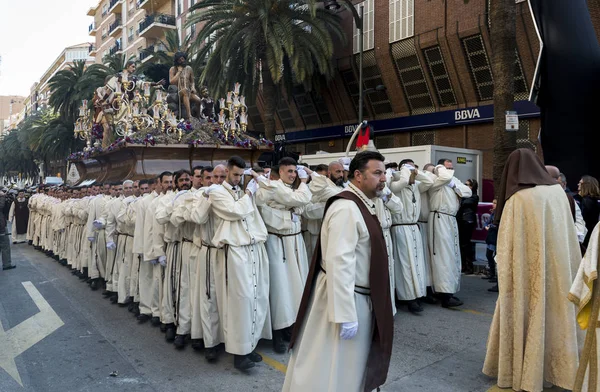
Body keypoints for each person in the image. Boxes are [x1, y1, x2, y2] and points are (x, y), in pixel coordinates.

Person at [284, 151, 394, 392]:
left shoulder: (364, 203)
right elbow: (339, 262)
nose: (383, 178)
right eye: (377, 173)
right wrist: (345, 314)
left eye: (384, 173)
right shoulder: (347, 208)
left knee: (349, 365)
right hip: (345, 301)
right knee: (332, 365)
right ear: (357, 175)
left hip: (359, 298)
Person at [482, 149, 581, 392]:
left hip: (527, 275)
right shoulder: (558, 192)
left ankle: (527, 373)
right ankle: (560, 368)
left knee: (527, 316)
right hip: (559, 273)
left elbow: (506, 249)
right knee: (556, 315)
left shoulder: (519, 198)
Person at [209, 156, 272, 370]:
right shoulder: (216, 192)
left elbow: (268, 196)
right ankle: (239, 353)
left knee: (257, 297)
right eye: (234, 174)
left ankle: (250, 345)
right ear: (227, 171)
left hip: (254, 247)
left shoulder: (247, 192)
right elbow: (235, 211)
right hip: (235, 250)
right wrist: (248, 192)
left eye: (240, 175)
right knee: (241, 301)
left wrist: (258, 179)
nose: (237, 179)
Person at [256, 157, 312, 353]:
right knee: (280, 288)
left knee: (296, 286)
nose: (293, 175)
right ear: (279, 172)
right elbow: (299, 200)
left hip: (294, 241)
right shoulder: (273, 187)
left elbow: (303, 205)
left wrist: (290, 206)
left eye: (295, 172)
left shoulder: (286, 190)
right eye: (289, 171)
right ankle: (278, 332)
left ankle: (290, 326)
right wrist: (302, 187)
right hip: (277, 242)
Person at [389, 159, 434, 313]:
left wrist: (417, 172)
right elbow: (399, 184)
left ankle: (417, 293)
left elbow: (428, 181)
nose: (412, 170)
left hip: (413, 227)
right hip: (401, 228)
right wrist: (403, 172)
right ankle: (408, 298)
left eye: (413, 167)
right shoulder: (397, 185)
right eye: (408, 167)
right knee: (405, 265)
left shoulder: (416, 186)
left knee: (417, 263)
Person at [428, 160, 472, 308]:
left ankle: (448, 290)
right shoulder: (437, 180)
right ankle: (445, 295)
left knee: (452, 256)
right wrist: (440, 169)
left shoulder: (453, 181)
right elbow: (445, 178)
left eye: (452, 168)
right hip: (440, 218)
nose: (450, 171)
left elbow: (468, 191)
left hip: (451, 219)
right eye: (447, 168)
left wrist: (454, 186)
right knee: (443, 256)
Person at [169, 52, 201, 120]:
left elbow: (192, 81)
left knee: (198, 100)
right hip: (178, 93)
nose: (182, 61)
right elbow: (171, 81)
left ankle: (198, 116)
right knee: (184, 91)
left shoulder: (189, 69)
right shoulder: (173, 69)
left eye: (182, 59)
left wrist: (193, 88)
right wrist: (179, 72)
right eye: (180, 60)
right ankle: (189, 116)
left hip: (189, 91)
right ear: (177, 61)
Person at [457, 179, 479, 274]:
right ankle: (463, 266)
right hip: (462, 220)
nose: (465, 186)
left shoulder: (474, 197)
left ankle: (469, 266)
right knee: (461, 244)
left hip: (467, 221)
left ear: (472, 186)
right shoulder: (465, 196)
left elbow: (465, 203)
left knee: (466, 244)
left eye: (467, 184)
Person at [575, 175, 600, 247]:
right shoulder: (596, 200)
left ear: (586, 185)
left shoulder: (586, 201)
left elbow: (583, 219)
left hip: (587, 236)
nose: (578, 184)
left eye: (580, 183)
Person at [483, 199, 498, 292]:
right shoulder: (493, 213)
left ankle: (495, 275)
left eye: (495, 203)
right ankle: (492, 273)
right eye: (493, 202)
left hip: (495, 236)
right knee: (489, 254)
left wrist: (490, 226)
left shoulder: (498, 213)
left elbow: (497, 224)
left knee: (495, 256)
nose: (493, 204)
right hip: (491, 236)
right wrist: (487, 226)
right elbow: (487, 222)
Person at [0, 190, 15, 270]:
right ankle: (6, 264)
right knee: (5, 245)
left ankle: (7, 263)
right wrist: (2, 196)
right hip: (1, 226)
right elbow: (1, 206)